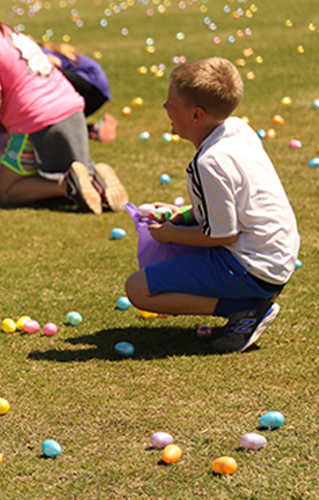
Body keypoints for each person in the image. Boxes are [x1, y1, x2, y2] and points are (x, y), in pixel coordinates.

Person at [124, 57, 300, 353]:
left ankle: (244, 309)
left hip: (254, 268)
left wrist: (168, 234)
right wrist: (180, 215)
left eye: (171, 103)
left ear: (196, 116)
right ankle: (247, 303)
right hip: (276, 257)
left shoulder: (211, 162)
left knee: (138, 289)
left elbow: (222, 235)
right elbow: (235, 204)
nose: (165, 108)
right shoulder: (236, 129)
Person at [0, 0, 128, 213]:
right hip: (72, 109)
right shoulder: (13, 35)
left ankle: (67, 186)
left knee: (8, 190)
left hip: (37, 123)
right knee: (70, 167)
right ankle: (95, 177)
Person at [37, 41, 116, 142]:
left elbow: (55, 62)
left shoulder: (37, 51)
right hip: (97, 92)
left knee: (48, 75)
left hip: (90, 86)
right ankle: (92, 129)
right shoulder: (52, 49)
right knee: (60, 123)